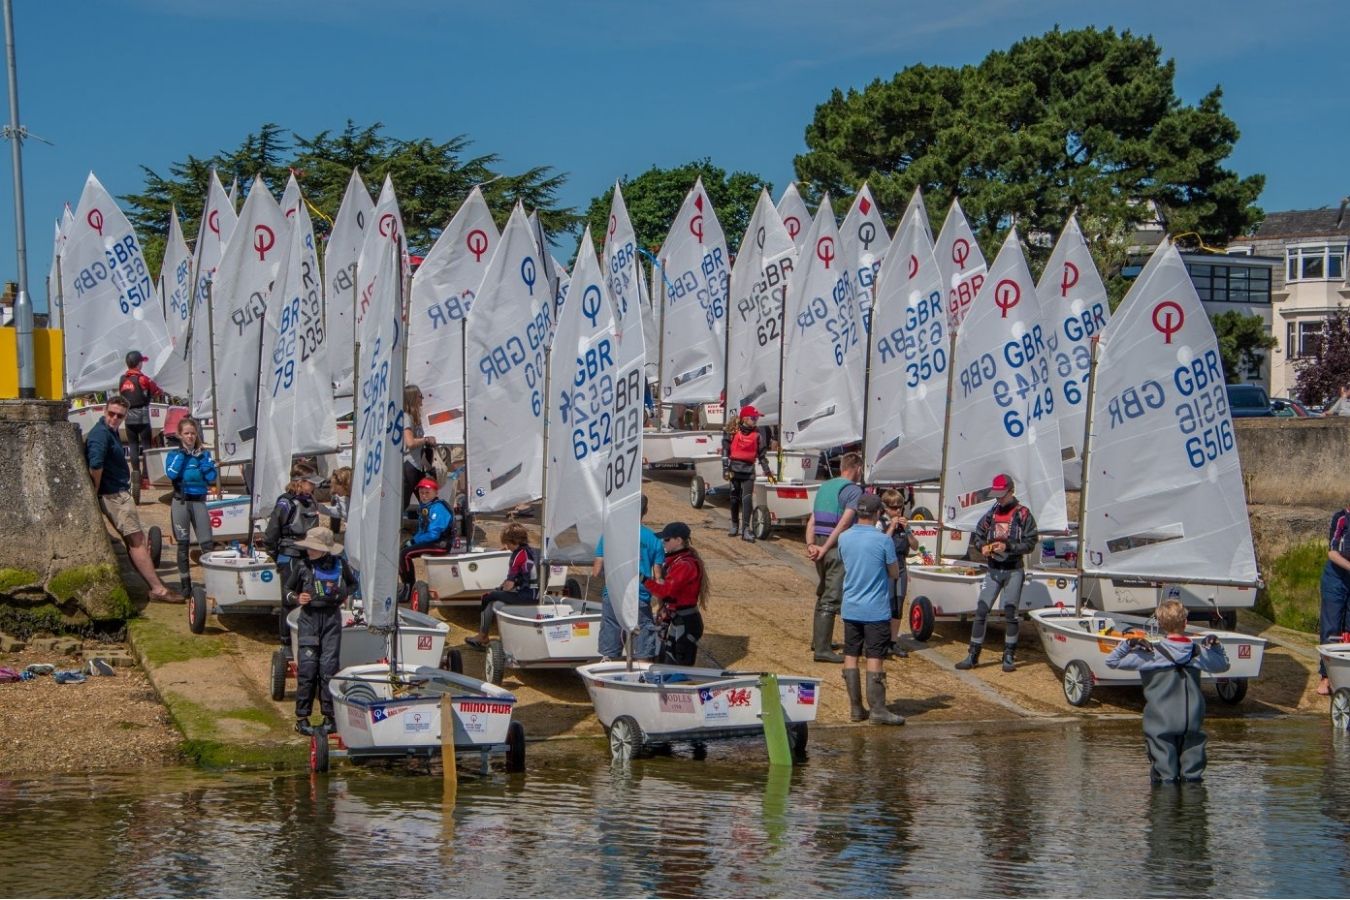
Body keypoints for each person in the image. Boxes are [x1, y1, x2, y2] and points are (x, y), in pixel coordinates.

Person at [1105, 600, 1230, 783]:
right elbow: (1224, 665)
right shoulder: (1198, 653)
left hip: (1160, 723)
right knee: (1193, 779)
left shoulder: (1150, 654)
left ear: (1160, 624)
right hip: (1192, 722)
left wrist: (1129, 643)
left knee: (1165, 778)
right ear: (1185, 622)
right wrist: (1216, 645)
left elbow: (1112, 661)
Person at [85, 394, 182, 602]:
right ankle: (158, 589)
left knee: (136, 540)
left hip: (118, 493)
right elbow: (95, 465)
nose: (114, 419)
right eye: (111, 414)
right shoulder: (100, 434)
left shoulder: (108, 432)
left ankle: (155, 585)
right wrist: (96, 489)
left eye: (119, 416)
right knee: (136, 541)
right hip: (114, 496)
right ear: (104, 411)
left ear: (124, 417)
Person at [956, 474, 1039, 673]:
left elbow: (1030, 543)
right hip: (993, 569)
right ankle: (973, 655)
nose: (999, 499)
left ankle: (1009, 655)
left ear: (1012, 491)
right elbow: (978, 535)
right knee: (981, 611)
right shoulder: (991, 514)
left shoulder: (1023, 514)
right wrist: (983, 546)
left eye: (1002, 495)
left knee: (1010, 613)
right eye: (996, 495)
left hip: (1013, 570)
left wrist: (1008, 546)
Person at [284, 526, 358, 736]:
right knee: (307, 669)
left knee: (328, 668)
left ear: (326, 550)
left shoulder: (341, 565)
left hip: (332, 620)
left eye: (314, 548)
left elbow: (353, 585)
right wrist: (297, 598)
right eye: (309, 547)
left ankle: (329, 717)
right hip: (309, 620)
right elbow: (287, 591)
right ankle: (302, 717)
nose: (310, 551)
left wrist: (342, 595)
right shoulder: (302, 566)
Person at [838, 494, 905, 725]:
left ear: (858, 512)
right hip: (875, 608)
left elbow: (844, 562)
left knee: (850, 655)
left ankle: (856, 708)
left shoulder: (844, 538)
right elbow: (894, 572)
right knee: (875, 657)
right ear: (878, 513)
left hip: (851, 606)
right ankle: (878, 710)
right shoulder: (882, 540)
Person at [804, 451, 864, 663]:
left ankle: (819, 641)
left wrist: (811, 545)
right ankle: (822, 650)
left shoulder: (824, 486)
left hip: (818, 542)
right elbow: (845, 522)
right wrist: (827, 547)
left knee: (823, 591)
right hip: (835, 546)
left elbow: (812, 519)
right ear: (856, 468)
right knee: (832, 595)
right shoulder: (853, 491)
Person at [593, 494, 665, 661]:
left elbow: (596, 571)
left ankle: (608, 678)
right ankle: (643, 682)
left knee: (610, 652)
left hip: (613, 594)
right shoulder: (654, 540)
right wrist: (661, 605)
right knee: (643, 652)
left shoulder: (610, 534)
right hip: (639, 596)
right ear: (645, 511)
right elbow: (658, 578)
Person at [263, 463, 322, 643]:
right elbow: (272, 532)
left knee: (310, 597)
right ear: (300, 482)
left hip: (309, 555)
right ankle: (286, 640)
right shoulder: (285, 503)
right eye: (310, 483)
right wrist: (274, 554)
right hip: (289, 556)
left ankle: (304, 636)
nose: (314, 486)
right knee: (290, 599)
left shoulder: (311, 501)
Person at [164, 416, 217, 595]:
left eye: (193, 434)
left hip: (198, 502)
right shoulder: (174, 454)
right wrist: (182, 455)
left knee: (207, 544)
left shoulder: (204, 454)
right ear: (180, 435)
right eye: (186, 434)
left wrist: (201, 458)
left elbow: (211, 478)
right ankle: (185, 585)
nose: (190, 437)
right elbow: (171, 474)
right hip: (181, 501)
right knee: (183, 545)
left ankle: (213, 583)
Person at [644, 522, 709, 666]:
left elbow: (665, 591)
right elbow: (670, 597)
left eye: (666, 539)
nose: (663, 542)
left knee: (680, 666)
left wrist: (643, 579)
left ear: (678, 541)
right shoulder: (676, 561)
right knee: (670, 662)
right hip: (679, 620)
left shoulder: (684, 565)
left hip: (687, 622)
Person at [465, 523, 538, 648]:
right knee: (496, 598)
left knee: (487, 597)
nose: (507, 547)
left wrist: (498, 590)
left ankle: (482, 636)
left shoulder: (517, 556)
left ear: (513, 541)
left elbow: (509, 585)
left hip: (525, 596)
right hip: (535, 595)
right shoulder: (532, 551)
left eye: (507, 544)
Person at [722, 405, 775, 542]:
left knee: (747, 500)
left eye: (757, 418)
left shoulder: (757, 435)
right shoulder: (733, 432)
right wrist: (725, 468)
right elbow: (725, 451)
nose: (756, 420)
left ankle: (745, 529)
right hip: (734, 470)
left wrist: (768, 472)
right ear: (745, 418)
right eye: (753, 418)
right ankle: (734, 524)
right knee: (734, 498)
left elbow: (762, 456)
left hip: (748, 471)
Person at [879, 488, 920, 658]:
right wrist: (892, 526)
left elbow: (915, 546)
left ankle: (893, 641)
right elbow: (880, 543)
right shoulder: (880, 523)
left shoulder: (905, 525)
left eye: (900, 507)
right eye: (894, 508)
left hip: (901, 565)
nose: (898, 511)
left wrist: (908, 529)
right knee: (886, 603)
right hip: (886, 567)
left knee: (898, 604)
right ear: (886, 508)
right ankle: (881, 641)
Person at [117, 350, 163, 492]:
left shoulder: (122, 379)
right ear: (138, 364)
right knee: (147, 446)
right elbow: (157, 391)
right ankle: (145, 478)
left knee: (133, 446)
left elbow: (123, 394)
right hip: (142, 415)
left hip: (128, 416)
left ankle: (135, 476)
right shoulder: (144, 379)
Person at [399, 477, 453, 594]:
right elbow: (422, 530)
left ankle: (408, 588)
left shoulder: (438, 508)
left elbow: (433, 534)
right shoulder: (427, 506)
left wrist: (414, 542)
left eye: (427, 493)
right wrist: (412, 540)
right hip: (433, 542)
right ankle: (406, 585)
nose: (424, 496)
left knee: (405, 554)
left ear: (436, 492)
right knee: (403, 550)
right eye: (421, 493)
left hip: (440, 544)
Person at [1317, 503, 1350, 695]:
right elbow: (1332, 553)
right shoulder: (1341, 518)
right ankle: (1326, 676)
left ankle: (1344, 675)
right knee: (1331, 628)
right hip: (1336, 579)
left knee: (1348, 627)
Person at [401, 385, 438, 515]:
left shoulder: (414, 418)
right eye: (420, 396)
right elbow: (410, 442)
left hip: (416, 466)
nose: (422, 399)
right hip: (409, 465)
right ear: (413, 398)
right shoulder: (407, 417)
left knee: (427, 500)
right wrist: (426, 440)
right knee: (404, 503)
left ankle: (432, 529)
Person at [318, 466, 352, 533]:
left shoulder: (360, 497)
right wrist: (318, 507)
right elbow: (340, 512)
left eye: (336, 488)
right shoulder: (342, 497)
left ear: (344, 484)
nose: (334, 491)